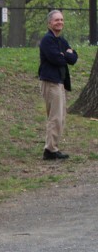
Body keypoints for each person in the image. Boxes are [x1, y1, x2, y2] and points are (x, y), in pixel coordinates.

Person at [38, 10, 78, 160]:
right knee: (55, 117)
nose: (60, 22)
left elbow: (73, 59)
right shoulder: (47, 40)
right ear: (49, 23)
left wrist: (66, 54)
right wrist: (66, 54)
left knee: (60, 117)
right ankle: (50, 150)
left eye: (61, 20)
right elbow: (57, 59)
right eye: (56, 20)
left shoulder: (61, 40)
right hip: (50, 82)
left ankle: (53, 147)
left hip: (59, 82)